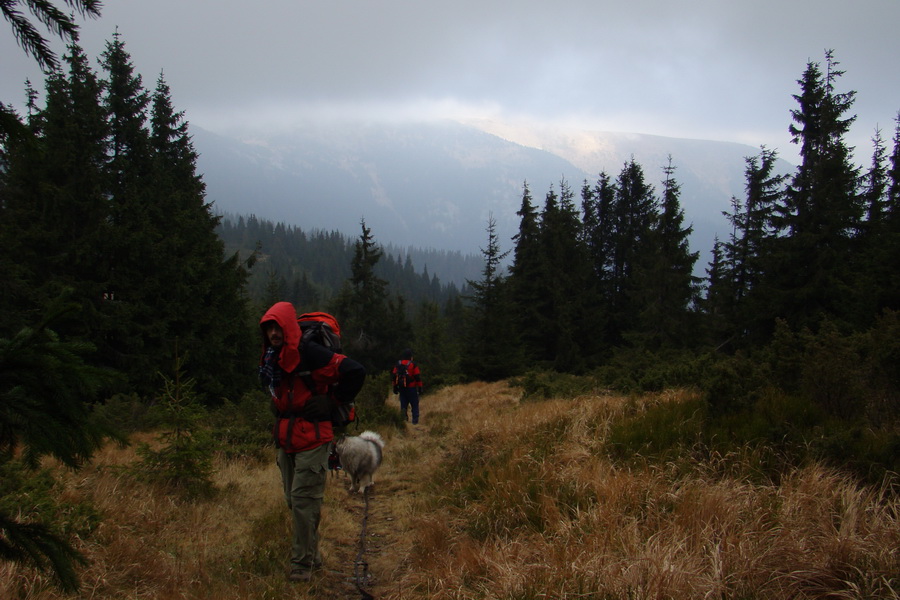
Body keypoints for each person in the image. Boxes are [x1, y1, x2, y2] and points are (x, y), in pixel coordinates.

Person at [259, 301, 365, 582]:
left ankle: (301, 566)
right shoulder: (272, 357)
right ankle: (313, 555)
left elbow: (355, 371)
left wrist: (332, 401)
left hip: (314, 438)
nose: (273, 333)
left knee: (304, 502)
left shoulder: (311, 353)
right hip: (287, 438)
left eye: (277, 327)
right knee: (293, 502)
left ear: (288, 327)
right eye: (268, 328)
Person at [391, 348, 423, 424]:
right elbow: (417, 377)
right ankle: (415, 421)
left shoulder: (398, 364)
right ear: (410, 356)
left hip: (402, 388)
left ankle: (403, 420)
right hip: (411, 387)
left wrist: (395, 387)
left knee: (403, 404)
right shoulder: (413, 364)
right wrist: (420, 387)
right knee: (414, 403)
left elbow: (394, 376)